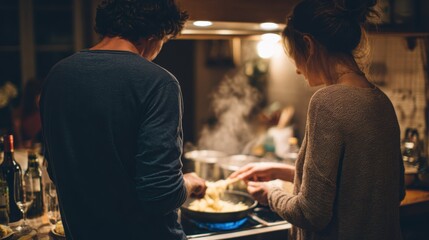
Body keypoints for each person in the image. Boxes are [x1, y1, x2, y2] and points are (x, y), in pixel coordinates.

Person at [230, 0, 405, 239]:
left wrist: (271, 193)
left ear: (308, 45)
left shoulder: (327, 101)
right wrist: (281, 171)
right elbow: (387, 188)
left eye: (294, 57)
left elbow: (311, 213)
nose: (297, 70)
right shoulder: (381, 101)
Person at [40, 0, 206, 239]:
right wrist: (189, 182)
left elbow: (55, 170)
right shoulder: (158, 83)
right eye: (164, 41)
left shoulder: (57, 75)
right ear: (154, 34)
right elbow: (161, 194)